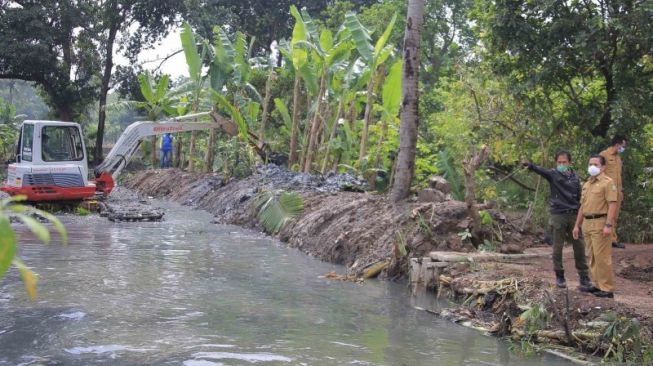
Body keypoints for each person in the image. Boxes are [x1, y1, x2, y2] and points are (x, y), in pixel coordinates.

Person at [524, 151, 591, 290]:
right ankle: (559, 276)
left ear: (569, 162)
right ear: (556, 163)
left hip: (574, 214)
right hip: (558, 215)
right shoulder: (553, 174)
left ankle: (584, 277)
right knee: (557, 247)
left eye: (564, 162)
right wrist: (530, 165)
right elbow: (540, 170)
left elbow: (580, 196)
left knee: (579, 246)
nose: (561, 164)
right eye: (559, 162)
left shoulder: (575, 177)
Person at [572, 155, 618, 298]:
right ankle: (597, 285)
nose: (592, 166)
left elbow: (612, 204)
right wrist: (576, 226)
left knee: (602, 257)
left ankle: (607, 289)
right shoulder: (587, 184)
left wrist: (608, 225)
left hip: (601, 222)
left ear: (603, 167)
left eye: (596, 164)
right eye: (590, 163)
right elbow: (582, 207)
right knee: (591, 256)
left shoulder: (608, 183)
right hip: (587, 222)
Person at [599, 135, 627, 249]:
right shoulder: (604, 155)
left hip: (617, 192)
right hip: (607, 191)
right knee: (606, 214)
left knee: (614, 216)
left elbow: (618, 175)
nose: (623, 148)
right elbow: (600, 172)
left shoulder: (618, 158)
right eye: (623, 146)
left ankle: (612, 239)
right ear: (617, 145)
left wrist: (621, 190)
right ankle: (604, 239)